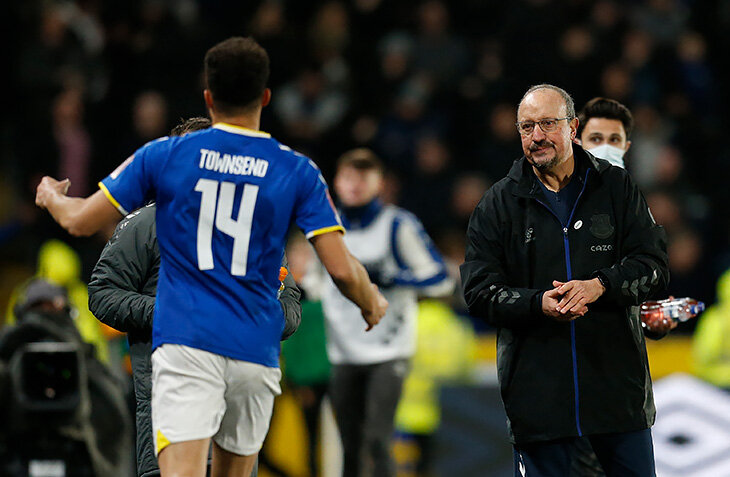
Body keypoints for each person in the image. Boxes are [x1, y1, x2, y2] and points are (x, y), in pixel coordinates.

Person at [35, 36, 388, 476]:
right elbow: (339, 268)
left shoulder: (165, 156)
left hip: (188, 348)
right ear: (265, 97)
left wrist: (51, 196)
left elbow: (80, 222)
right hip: (252, 354)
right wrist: (371, 302)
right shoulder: (295, 169)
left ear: (208, 97)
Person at [460, 84, 669, 476]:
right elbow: (477, 291)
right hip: (539, 411)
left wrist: (600, 286)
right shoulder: (497, 206)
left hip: (617, 403)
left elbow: (654, 266)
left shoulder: (618, 189)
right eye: (526, 127)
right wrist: (537, 303)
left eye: (547, 124)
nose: (536, 136)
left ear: (572, 127)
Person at [87, 116, 302, 477]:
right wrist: (173, 311)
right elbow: (103, 293)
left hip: (234, 409)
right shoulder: (146, 224)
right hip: (169, 401)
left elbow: (290, 306)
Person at [321, 148, 453, 477]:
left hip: (388, 350)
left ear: (379, 183)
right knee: (348, 445)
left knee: (377, 439)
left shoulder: (397, 225)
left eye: (364, 177)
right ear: (336, 182)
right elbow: (310, 283)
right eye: (349, 176)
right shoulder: (324, 228)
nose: (355, 185)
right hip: (341, 350)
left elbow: (440, 278)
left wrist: (394, 279)